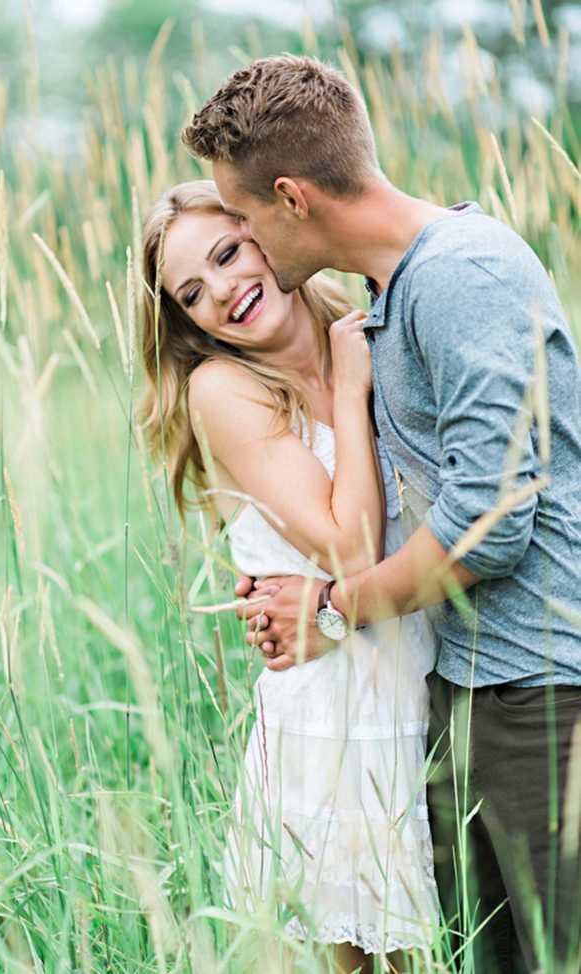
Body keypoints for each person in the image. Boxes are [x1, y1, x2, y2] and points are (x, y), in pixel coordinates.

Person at [181, 56, 581, 973]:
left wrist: (328, 608)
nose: (239, 246)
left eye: (238, 223)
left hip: (547, 699)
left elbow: (491, 523)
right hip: (473, 695)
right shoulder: (390, 298)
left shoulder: (462, 278)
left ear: (291, 198)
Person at [140, 180, 439, 972]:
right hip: (336, 727)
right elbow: (352, 553)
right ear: (186, 321)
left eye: (230, 253)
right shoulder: (226, 389)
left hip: (429, 691)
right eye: (193, 294)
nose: (227, 292)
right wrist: (348, 389)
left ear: (270, 230)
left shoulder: (373, 319)